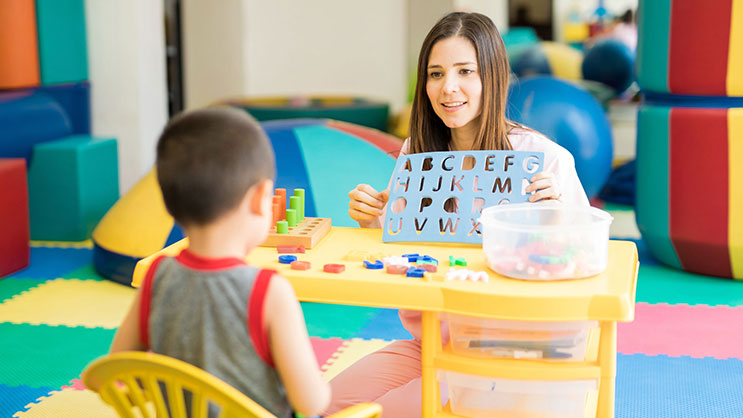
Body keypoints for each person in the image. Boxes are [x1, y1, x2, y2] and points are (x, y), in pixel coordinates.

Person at [332, 12, 589, 418]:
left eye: (465, 71)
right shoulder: (417, 152)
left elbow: (586, 269)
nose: (448, 88)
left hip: (506, 356)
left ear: (493, 76)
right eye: (435, 74)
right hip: (433, 341)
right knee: (317, 404)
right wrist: (373, 222)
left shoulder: (544, 160)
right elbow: (408, 253)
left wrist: (558, 222)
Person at [106, 108, 330, 418]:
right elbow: (312, 402)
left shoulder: (157, 276)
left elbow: (119, 369)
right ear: (260, 197)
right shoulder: (268, 290)